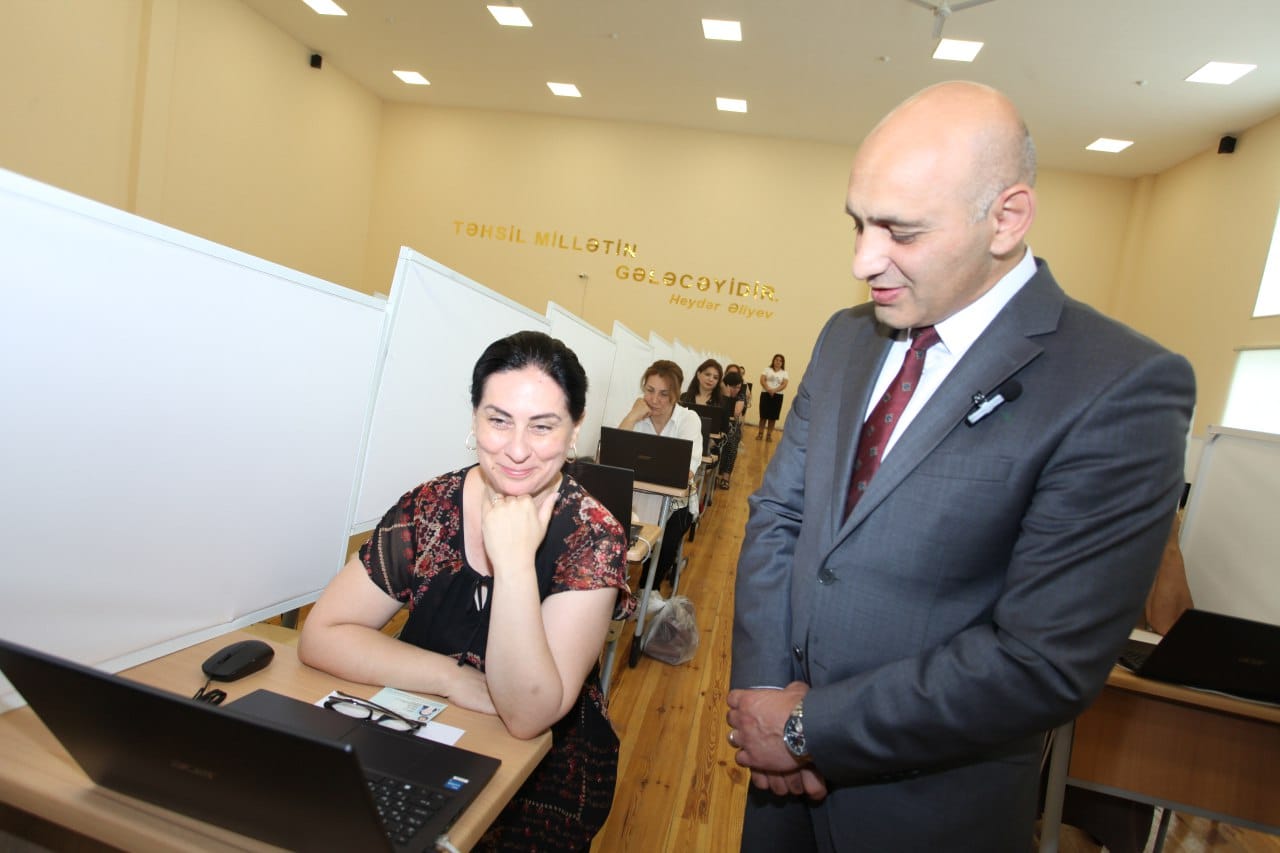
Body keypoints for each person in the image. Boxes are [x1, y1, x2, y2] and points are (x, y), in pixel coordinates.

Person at [724, 81, 1195, 852]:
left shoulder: (1120, 384)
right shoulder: (846, 337)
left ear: (1006, 219)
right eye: (858, 222)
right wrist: (765, 699)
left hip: (926, 814)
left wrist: (808, 728)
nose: (863, 259)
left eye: (901, 231)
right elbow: (779, 514)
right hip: (778, 792)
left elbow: (1040, 659)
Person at [299, 330, 636, 851]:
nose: (517, 450)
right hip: (418, 735)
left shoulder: (592, 535)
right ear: (474, 418)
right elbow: (323, 633)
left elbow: (525, 715)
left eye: (542, 426)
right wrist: (452, 679)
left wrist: (515, 561)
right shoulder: (430, 505)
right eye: (498, 420)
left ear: (575, 431)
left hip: (539, 782)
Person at [619, 359, 703, 603]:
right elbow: (612, 456)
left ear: (676, 394)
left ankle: (648, 588)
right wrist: (631, 417)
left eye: (664, 394)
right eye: (650, 390)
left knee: (668, 536)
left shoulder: (688, 420)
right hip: (637, 493)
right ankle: (614, 586)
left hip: (675, 499)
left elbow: (686, 472)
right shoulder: (638, 415)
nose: (654, 400)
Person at [716, 370, 747, 489]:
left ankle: (725, 477)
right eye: (734, 387)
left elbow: (735, 413)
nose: (737, 390)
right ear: (727, 385)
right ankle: (715, 472)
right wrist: (726, 395)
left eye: (739, 387)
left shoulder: (741, 395)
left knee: (732, 442)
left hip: (732, 426)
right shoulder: (718, 393)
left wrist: (728, 397)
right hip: (718, 425)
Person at [756, 354, 789, 442]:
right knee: (763, 416)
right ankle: (760, 433)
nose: (778, 362)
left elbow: (784, 384)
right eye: (776, 360)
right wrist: (768, 389)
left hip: (778, 396)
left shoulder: (784, 373)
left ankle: (769, 435)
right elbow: (762, 380)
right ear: (773, 360)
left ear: (782, 363)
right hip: (765, 394)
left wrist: (774, 390)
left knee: (773, 417)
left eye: (780, 360)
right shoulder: (767, 369)